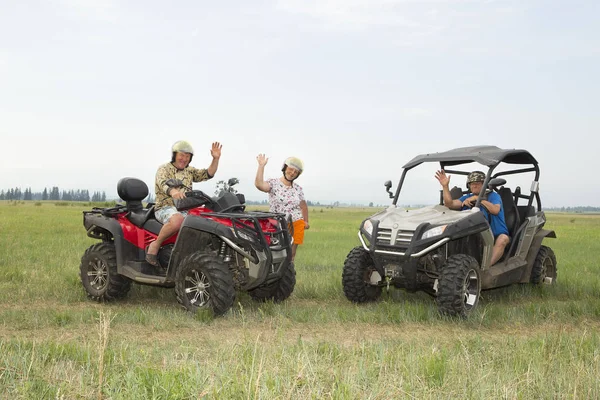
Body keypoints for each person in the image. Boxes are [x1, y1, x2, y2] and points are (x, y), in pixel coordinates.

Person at [146, 140, 222, 266]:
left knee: (208, 222)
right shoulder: (164, 169)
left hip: (186, 209)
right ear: (174, 155)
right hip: (166, 207)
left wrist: (216, 159)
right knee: (177, 220)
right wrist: (173, 191)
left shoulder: (189, 171)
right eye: (181, 155)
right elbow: (163, 183)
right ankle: (155, 245)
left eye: (187, 156)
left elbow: (208, 174)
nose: (184, 159)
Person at [435, 169, 510, 266]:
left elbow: (495, 210)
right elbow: (450, 204)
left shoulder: (493, 196)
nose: (474, 185)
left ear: (484, 184)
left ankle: (485, 269)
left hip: (495, 235)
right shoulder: (466, 197)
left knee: (503, 239)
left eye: (478, 183)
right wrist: (445, 186)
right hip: (475, 235)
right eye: (472, 183)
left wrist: (478, 199)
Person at [255, 154, 309, 262]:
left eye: (296, 172)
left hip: (296, 223)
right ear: (284, 168)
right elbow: (259, 185)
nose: (292, 173)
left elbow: (303, 206)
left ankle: (288, 274)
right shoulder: (274, 183)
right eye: (291, 169)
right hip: (277, 224)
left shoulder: (298, 189)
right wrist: (261, 166)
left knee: (291, 255)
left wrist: (306, 221)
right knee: (276, 252)